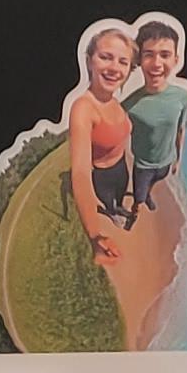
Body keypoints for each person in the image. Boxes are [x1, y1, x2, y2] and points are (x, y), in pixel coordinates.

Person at [64, 22, 138, 266]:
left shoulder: (114, 101)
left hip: (121, 168)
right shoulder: (84, 109)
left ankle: (117, 209)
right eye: (105, 57)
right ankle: (112, 214)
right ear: (89, 61)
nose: (114, 67)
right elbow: (80, 174)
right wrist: (95, 236)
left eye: (123, 62)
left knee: (121, 196)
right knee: (111, 204)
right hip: (103, 176)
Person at [124, 16, 187, 214]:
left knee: (153, 184)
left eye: (165, 55)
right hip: (142, 165)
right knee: (138, 197)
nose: (157, 63)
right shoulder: (129, 105)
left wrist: (178, 159)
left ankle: (147, 195)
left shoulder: (182, 96)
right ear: (139, 60)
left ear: (176, 60)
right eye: (149, 54)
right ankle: (136, 209)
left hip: (166, 162)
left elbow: (180, 129)